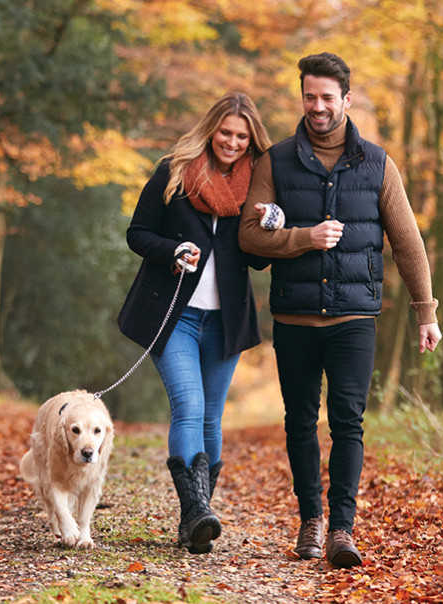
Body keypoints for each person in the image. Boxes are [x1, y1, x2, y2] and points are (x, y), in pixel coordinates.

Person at [238, 53, 442, 568]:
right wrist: (303, 238)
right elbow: (247, 236)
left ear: (346, 100)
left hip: (354, 319)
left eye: (328, 98)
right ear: (302, 97)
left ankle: (342, 530)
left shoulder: (377, 164)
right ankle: (311, 521)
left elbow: (408, 242)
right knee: (300, 423)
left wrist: (426, 311)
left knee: (348, 422)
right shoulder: (276, 162)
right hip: (294, 318)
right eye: (310, 96)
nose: (318, 106)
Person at [117, 92, 272, 554]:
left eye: (242, 136)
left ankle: (195, 519)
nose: (232, 142)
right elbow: (137, 233)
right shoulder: (175, 172)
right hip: (175, 314)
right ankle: (197, 513)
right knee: (188, 404)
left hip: (225, 321)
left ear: (251, 140)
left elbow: (259, 262)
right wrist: (172, 251)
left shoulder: (258, 187)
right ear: (211, 129)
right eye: (226, 132)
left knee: (211, 416)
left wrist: (268, 226)